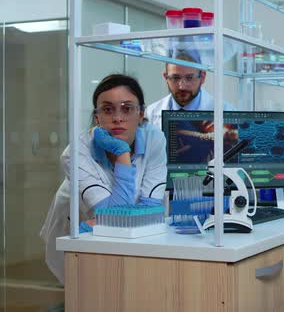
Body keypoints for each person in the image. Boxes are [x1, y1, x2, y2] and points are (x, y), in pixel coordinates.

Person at [40, 74, 167, 284]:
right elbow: (112, 215)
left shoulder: (154, 138)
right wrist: (122, 153)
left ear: (141, 114)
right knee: (86, 291)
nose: (118, 117)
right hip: (77, 234)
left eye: (127, 108)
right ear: (97, 116)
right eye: (108, 109)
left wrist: (116, 216)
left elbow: (151, 208)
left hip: (122, 235)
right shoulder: (77, 152)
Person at [145, 50, 234, 129]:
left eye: (189, 78)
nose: (182, 87)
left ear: (202, 77)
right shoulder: (151, 112)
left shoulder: (226, 111)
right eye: (175, 78)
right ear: (166, 78)